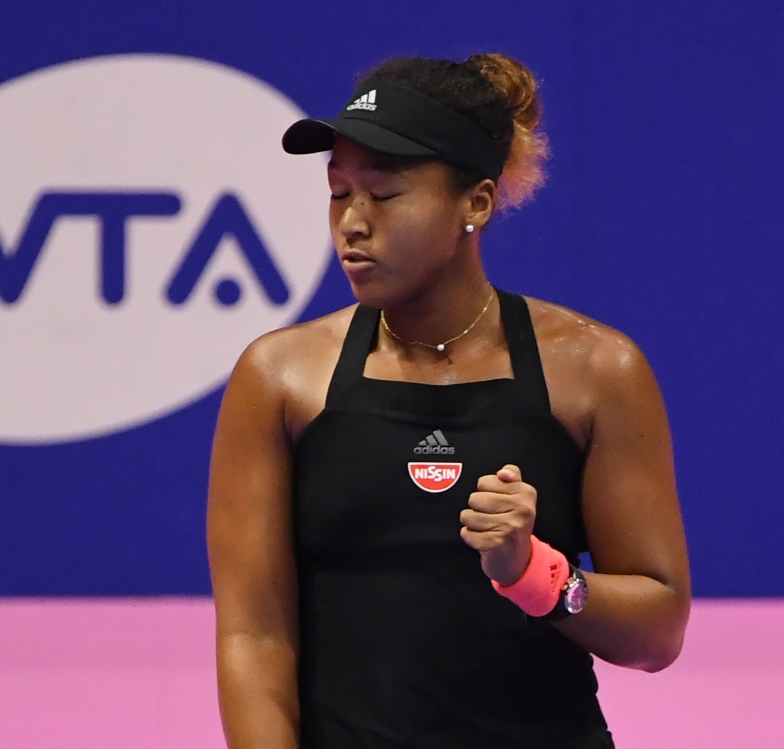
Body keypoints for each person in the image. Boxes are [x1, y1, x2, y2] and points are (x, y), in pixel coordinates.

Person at [207, 53, 690, 749]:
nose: (352, 223)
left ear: (477, 202)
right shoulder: (278, 378)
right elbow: (254, 632)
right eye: (339, 192)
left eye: (386, 193)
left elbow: (657, 631)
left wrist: (537, 575)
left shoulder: (597, 372)